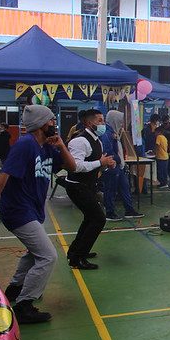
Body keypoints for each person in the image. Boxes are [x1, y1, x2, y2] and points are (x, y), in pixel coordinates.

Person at [0, 105, 76, 323]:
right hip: (19, 211)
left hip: (33, 210)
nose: (53, 124)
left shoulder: (46, 146)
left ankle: (15, 289)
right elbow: (3, 176)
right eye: (50, 121)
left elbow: (72, 166)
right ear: (40, 124)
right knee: (48, 256)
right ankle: (25, 304)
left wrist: (61, 145)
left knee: (33, 253)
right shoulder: (25, 145)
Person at [64, 109, 116, 269]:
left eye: (103, 121)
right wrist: (100, 162)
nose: (103, 124)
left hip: (88, 186)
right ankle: (77, 259)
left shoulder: (97, 141)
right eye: (99, 121)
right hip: (77, 187)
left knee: (90, 218)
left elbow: (96, 165)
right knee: (98, 219)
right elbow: (76, 166)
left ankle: (76, 251)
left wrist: (106, 164)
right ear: (88, 123)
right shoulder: (80, 141)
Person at [100, 110, 143, 222]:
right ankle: (110, 212)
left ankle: (129, 210)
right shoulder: (106, 133)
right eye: (120, 121)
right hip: (112, 166)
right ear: (115, 121)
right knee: (110, 190)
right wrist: (118, 160)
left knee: (125, 187)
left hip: (119, 166)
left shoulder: (115, 132)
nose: (122, 124)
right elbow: (108, 151)